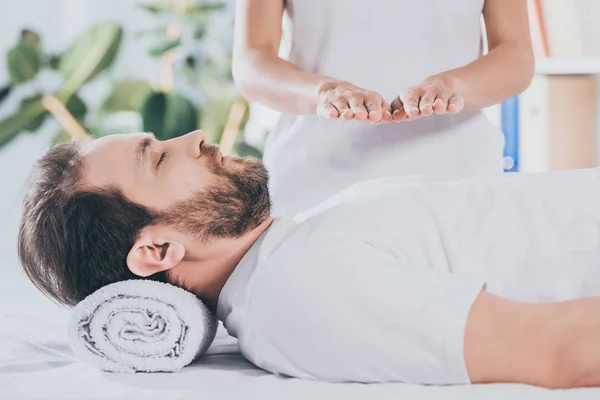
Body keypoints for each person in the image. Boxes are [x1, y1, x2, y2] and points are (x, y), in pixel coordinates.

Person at [18, 130, 600, 389]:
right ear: (159, 250)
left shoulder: (292, 252)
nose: (195, 136)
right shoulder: (297, 290)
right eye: (162, 160)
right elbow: (563, 352)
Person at [232, 0, 535, 217]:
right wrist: (324, 93)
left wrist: (452, 87)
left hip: (456, 181)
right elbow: (252, 60)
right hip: (315, 187)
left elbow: (515, 53)